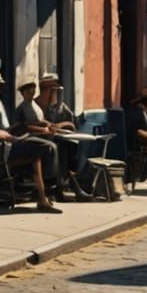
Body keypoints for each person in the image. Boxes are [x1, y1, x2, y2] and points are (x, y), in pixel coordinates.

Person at [0, 69, 60, 214]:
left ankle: (42, 197)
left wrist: (17, 132)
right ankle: (48, 188)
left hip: (6, 143)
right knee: (42, 147)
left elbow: (4, 128)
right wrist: (13, 138)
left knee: (40, 151)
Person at [37, 72, 93, 201]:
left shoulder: (61, 107)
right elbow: (46, 125)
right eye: (50, 90)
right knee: (60, 152)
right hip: (42, 140)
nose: (53, 94)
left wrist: (63, 125)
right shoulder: (38, 106)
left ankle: (66, 187)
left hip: (57, 140)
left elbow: (72, 124)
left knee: (68, 150)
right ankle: (65, 188)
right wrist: (60, 126)